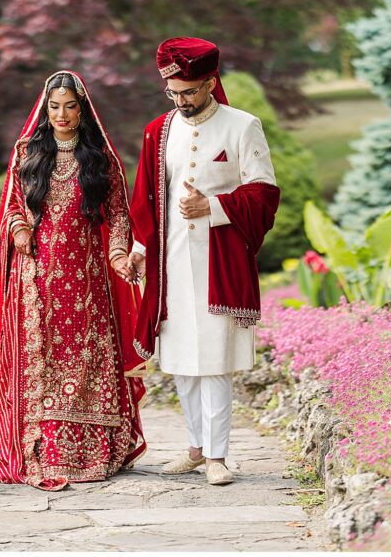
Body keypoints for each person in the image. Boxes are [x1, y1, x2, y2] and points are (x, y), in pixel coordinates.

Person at [0, 70, 148, 491]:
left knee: (87, 359)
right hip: (36, 278)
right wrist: (19, 229)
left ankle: (91, 453)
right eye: (54, 107)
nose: (61, 114)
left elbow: (119, 214)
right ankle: (41, 452)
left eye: (70, 106)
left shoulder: (100, 157)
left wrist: (117, 253)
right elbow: (12, 206)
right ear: (45, 109)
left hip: (87, 281)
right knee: (44, 362)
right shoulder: (27, 152)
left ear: (82, 109)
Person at [128, 37, 281, 486]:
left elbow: (264, 193)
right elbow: (147, 199)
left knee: (214, 359)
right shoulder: (158, 131)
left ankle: (217, 456)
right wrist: (140, 249)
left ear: (211, 83)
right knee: (181, 359)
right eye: (173, 93)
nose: (181, 101)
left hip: (220, 261)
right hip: (172, 261)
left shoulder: (242, 126)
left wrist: (212, 207)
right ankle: (195, 448)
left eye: (189, 92)